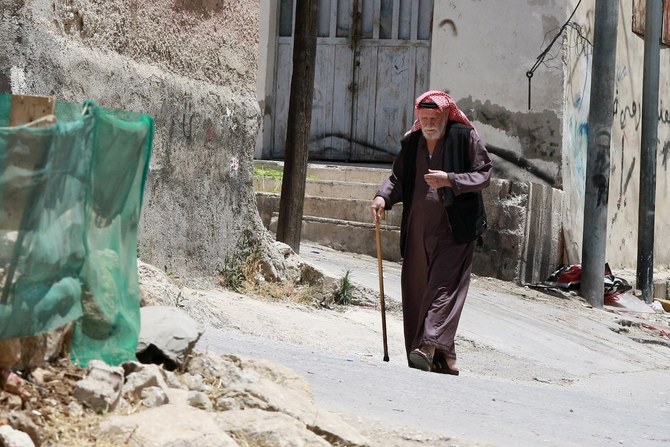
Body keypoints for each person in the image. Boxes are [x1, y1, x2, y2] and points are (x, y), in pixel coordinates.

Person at [370, 90, 492, 375]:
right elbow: (398, 178)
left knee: (444, 288)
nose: (428, 124)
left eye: (433, 118)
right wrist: (382, 197)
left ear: (446, 115)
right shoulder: (412, 143)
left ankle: (427, 346)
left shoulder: (464, 138)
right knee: (416, 289)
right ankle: (443, 356)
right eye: (423, 118)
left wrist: (450, 179)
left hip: (454, 230)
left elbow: (484, 172)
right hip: (417, 229)